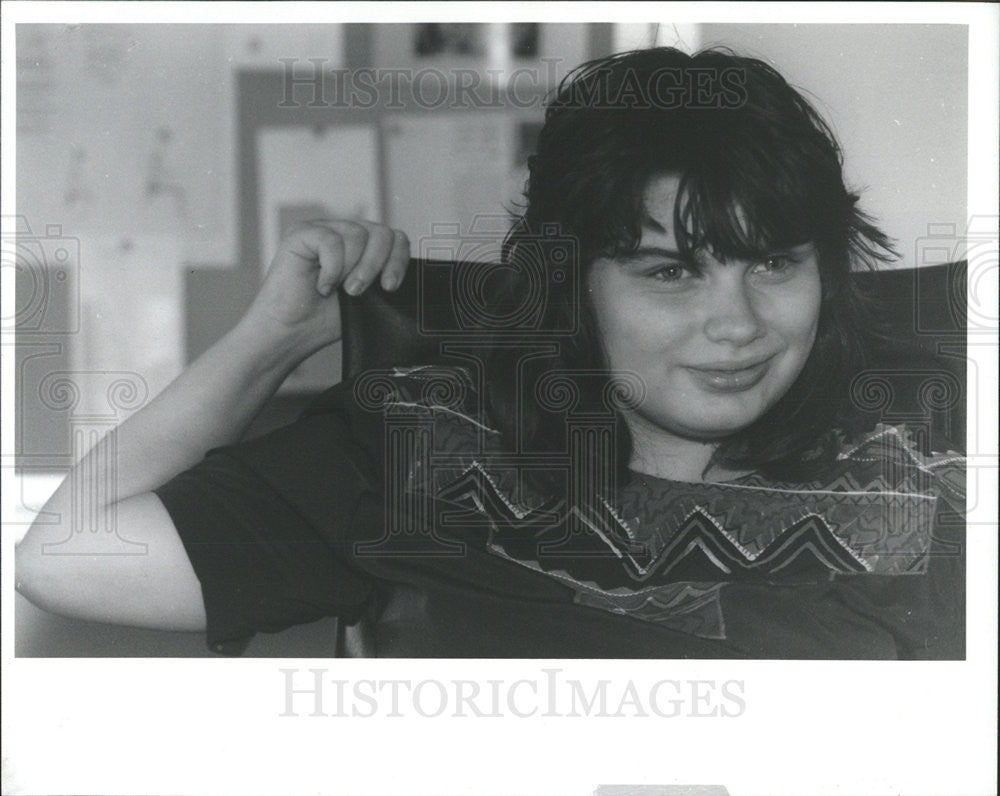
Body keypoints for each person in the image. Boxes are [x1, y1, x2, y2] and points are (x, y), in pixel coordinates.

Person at [15, 46, 965, 658]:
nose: (739, 324)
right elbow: (65, 556)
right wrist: (274, 341)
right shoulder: (430, 450)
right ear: (571, 284)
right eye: (669, 273)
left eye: (774, 263)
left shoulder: (932, 448)